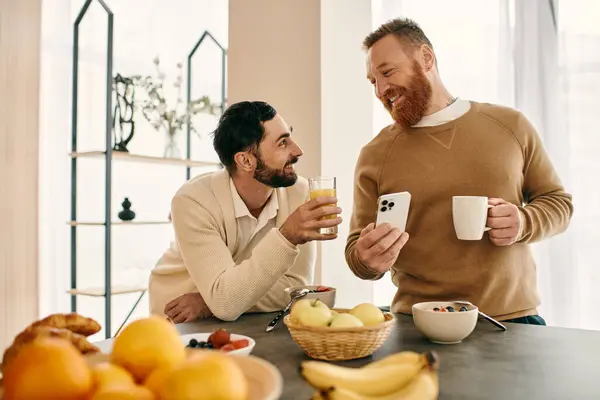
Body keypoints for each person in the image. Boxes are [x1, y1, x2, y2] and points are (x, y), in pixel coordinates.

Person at [345, 18, 573, 325]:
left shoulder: (511, 126)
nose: (381, 89)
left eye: (387, 72)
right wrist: (366, 260)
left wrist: (523, 221)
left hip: (513, 322)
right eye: (373, 81)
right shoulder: (374, 154)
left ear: (426, 58)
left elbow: (558, 203)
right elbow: (356, 251)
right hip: (417, 325)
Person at [149, 101, 342, 323]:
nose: (298, 151)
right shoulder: (193, 201)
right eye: (282, 143)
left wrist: (209, 302)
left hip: (233, 317)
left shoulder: (300, 192)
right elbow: (225, 302)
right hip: (179, 319)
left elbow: (296, 290)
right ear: (245, 160)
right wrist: (287, 236)